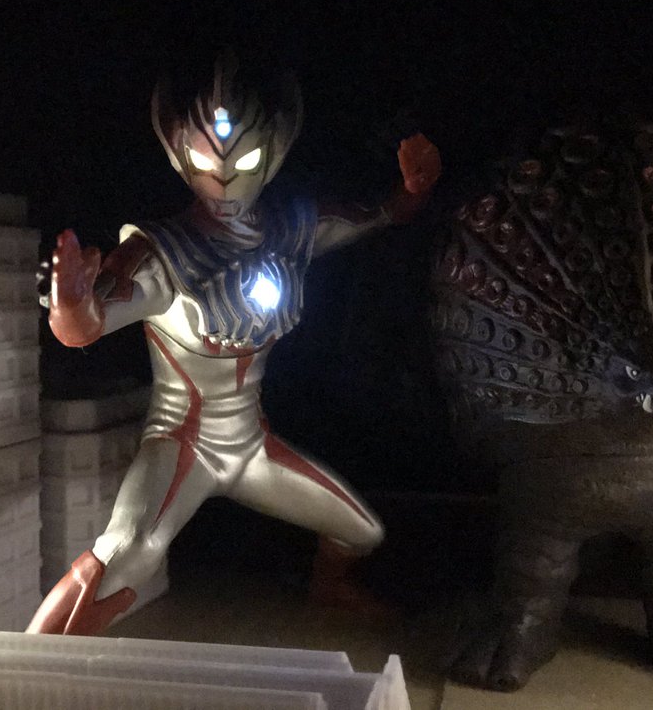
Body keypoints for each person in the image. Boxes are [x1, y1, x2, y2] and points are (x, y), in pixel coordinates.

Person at [28, 50, 441, 635]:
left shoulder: (292, 228)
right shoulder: (162, 252)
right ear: (179, 156)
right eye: (203, 160)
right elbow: (86, 328)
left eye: (243, 160)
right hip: (180, 442)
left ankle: (329, 585)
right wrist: (70, 304)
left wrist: (415, 188)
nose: (223, 181)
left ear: (272, 153)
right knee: (128, 554)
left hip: (251, 445)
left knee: (363, 531)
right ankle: (27, 663)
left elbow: (380, 214)